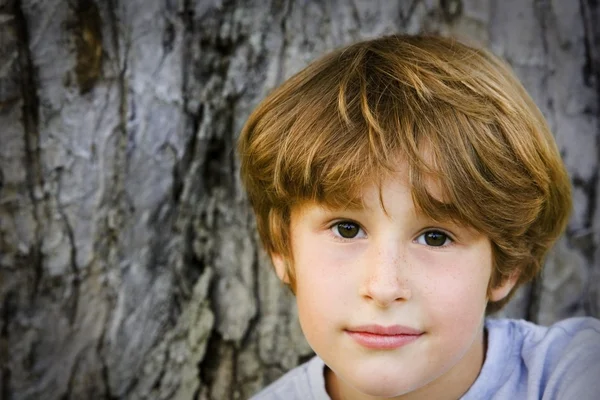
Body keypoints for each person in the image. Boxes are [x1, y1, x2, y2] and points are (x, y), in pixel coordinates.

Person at [237, 34, 600, 399]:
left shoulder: (573, 373)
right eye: (347, 230)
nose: (384, 288)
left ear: (507, 267)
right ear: (282, 248)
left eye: (435, 237)